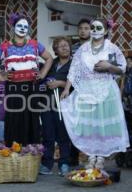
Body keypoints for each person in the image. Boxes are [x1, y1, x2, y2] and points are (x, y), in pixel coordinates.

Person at [60, 18, 130, 169]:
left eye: (99, 28)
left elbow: (122, 68)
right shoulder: (83, 49)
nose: (95, 30)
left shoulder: (111, 48)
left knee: (103, 126)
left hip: (106, 91)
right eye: (93, 27)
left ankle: (101, 158)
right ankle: (91, 156)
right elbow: (74, 70)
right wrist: (66, 89)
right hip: (86, 92)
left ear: (105, 31)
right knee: (89, 127)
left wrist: (108, 66)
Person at [0, 14, 53, 147]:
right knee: (13, 119)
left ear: (28, 29)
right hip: (13, 88)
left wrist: (42, 73)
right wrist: (1, 77)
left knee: (31, 119)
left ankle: (30, 153)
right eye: (19, 26)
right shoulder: (5, 46)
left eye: (25, 27)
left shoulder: (35, 44)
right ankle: (14, 151)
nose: (22, 29)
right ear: (13, 27)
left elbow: (49, 58)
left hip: (31, 87)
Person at [39, 37, 72, 176]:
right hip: (47, 102)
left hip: (64, 103)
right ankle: (47, 163)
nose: (65, 48)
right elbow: (42, 77)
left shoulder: (74, 64)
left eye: (66, 45)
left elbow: (78, 84)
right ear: (56, 50)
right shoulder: (51, 63)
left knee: (63, 134)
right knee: (48, 133)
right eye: (61, 46)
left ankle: (64, 163)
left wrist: (59, 83)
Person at [70, 18, 91, 166]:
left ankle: (92, 159)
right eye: (81, 28)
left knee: (91, 124)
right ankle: (72, 159)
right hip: (75, 89)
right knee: (75, 124)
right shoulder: (73, 48)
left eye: (86, 28)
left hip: (92, 90)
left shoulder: (95, 46)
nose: (83, 31)